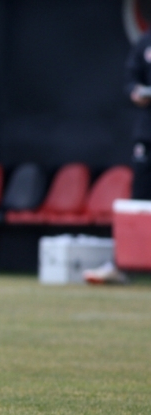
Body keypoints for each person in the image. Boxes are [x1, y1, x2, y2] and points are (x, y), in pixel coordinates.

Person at [82, 27, 151, 285]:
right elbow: (131, 80)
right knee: (139, 201)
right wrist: (137, 92)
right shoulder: (146, 42)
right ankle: (122, 264)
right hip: (147, 135)